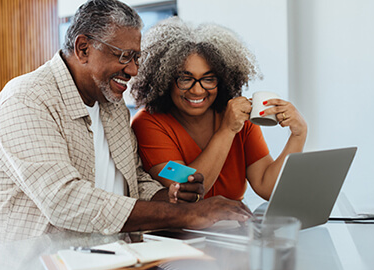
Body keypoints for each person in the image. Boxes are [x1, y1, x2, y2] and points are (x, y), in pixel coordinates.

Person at [0, 0, 250, 249]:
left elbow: (135, 181)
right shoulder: (27, 101)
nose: (133, 71)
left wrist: (171, 196)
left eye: (137, 58)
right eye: (124, 56)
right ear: (83, 49)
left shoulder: (113, 105)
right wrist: (188, 214)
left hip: (111, 257)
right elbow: (66, 202)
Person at [130, 17, 308, 202]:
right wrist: (227, 130)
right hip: (181, 230)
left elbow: (267, 186)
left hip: (234, 227)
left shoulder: (239, 119)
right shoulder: (148, 123)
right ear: (165, 80)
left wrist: (298, 135)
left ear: (223, 80)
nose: (197, 90)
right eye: (185, 78)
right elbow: (191, 190)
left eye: (208, 79)